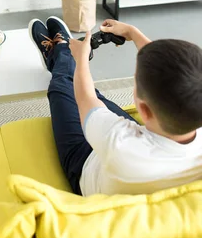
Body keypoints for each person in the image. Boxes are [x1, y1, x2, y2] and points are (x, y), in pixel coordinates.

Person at [29, 16, 202, 196]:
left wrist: (81, 59)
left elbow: (85, 98)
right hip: (138, 149)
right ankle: (61, 53)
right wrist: (132, 33)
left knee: (64, 85)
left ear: (143, 110)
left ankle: (60, 52)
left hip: (85, 164)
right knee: (90, 93)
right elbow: (174, 72)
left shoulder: (119, 140)